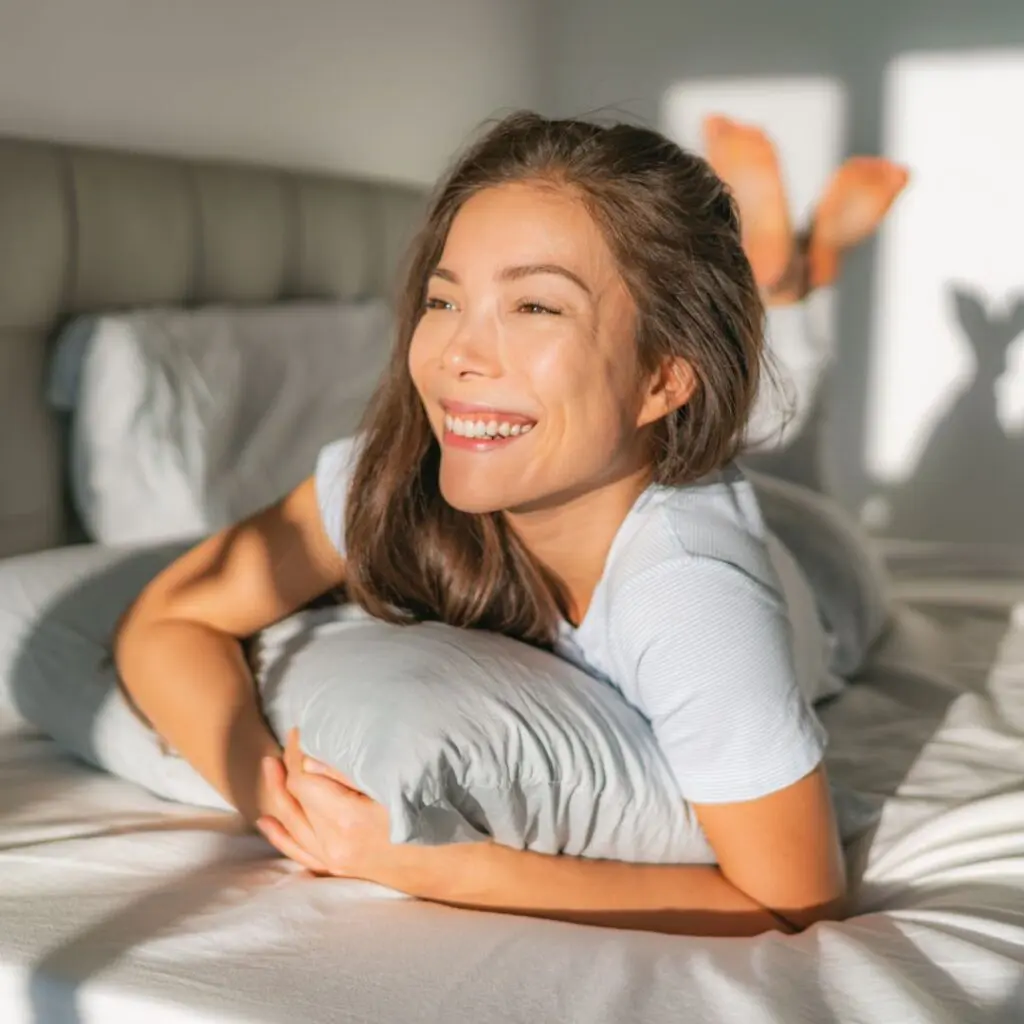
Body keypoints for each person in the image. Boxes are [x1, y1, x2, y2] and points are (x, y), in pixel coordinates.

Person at [113, 111, 902, 939]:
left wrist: (434, 865)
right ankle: (784, 283)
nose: (458, 351)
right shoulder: (393, 473)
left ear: (663, 376)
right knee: (759, 450)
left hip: (814, 570)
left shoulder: (697, 599)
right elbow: (169, 618)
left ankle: (789, 294)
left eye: (533, 306)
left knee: (799, 475)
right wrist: (266, 792)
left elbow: (794, 901)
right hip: (650, 470)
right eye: (443, 298)